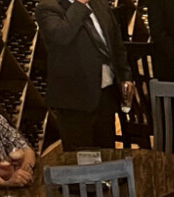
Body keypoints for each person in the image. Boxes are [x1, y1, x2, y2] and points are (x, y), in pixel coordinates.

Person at [36, 0, 133, 148]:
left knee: (107, 153)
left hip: (105, 93)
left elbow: (116, 43)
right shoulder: (48, 7)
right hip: (75, 100)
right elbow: (62, 36)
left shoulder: (100, 4)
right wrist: (80, 4)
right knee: (81, 158)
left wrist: (125, 76)